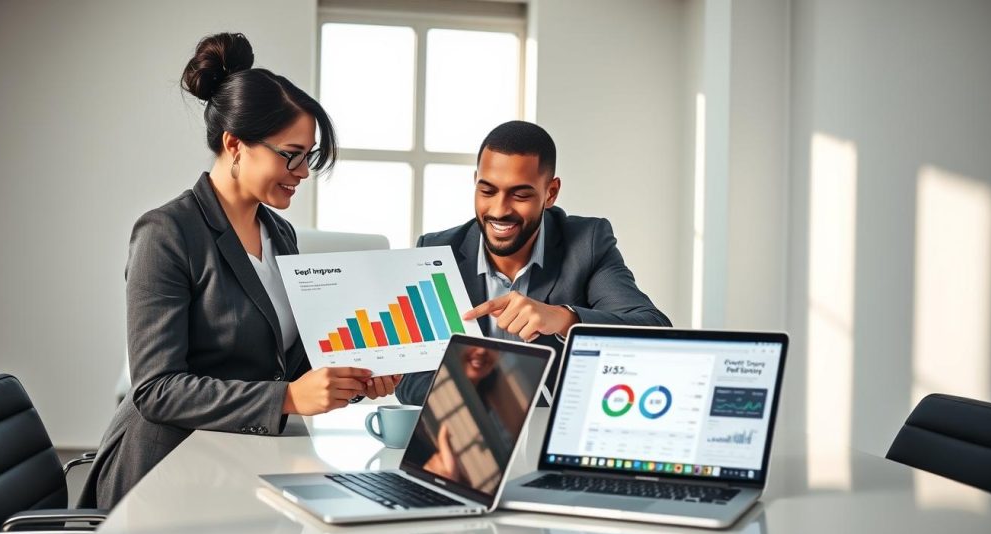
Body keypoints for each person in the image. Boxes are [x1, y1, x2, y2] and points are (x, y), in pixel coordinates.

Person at [80, 32, 400, 509]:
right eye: (291, 154)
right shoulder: (166, 233)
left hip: (241, 460)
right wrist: (287, 399)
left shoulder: (280, 234)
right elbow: (156, 390)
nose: (303, 170)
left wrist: (352, 377)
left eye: (307, 156)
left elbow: (281, 363)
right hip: (164, 473)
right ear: (235, 145)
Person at [396, 121, 671, 405]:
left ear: (550, 193)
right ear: (475, 181)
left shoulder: (587, 243)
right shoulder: (437, 251)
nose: (499, 210)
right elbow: (409, 381)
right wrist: (491, 390)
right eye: (487, 191)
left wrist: (565, 319)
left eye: (521, 195)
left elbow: (655, 331)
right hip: (469, 435)